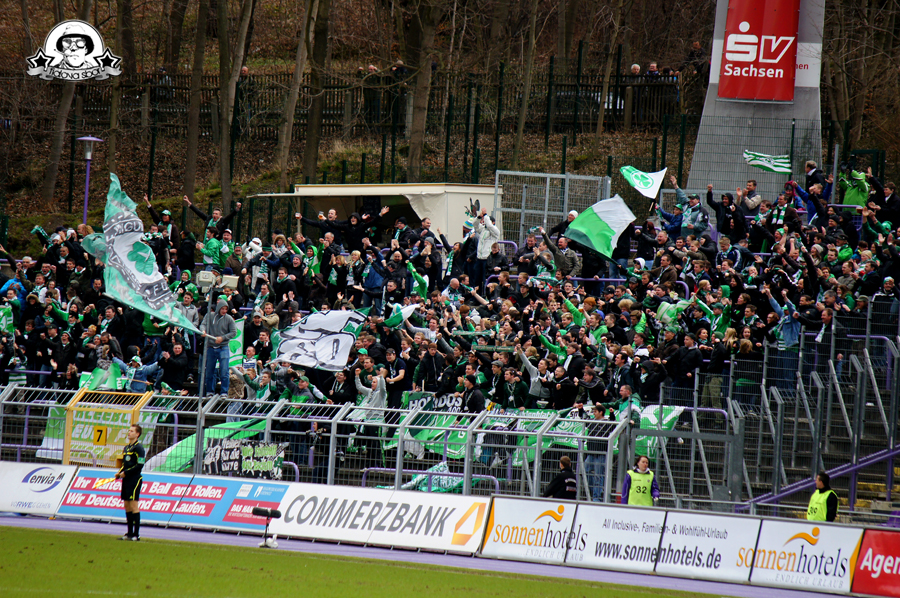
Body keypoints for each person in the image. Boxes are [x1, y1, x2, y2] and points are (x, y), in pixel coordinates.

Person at [200, 300, 237, 397]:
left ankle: (224, 392)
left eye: (226, 309)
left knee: (224, 371)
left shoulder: (229, 319)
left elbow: (234, 332)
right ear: (218, 308)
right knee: (209, 371)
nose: (224, 311)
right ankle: (209, 391)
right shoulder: (209, 316)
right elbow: (203, 324)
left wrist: (222, 338)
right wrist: (203, 330)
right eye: (222, 309)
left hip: (223, 347)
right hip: (211, 347)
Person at [117, 424, 145, 541]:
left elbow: (140, 465)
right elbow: (125, 464)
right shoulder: (126, 448)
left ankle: (136, 534)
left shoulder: (139, 448)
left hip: (135, 479)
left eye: (132, 431)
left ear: (137, 434)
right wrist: (119, 473)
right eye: (129, 431)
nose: (129, 433)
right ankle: (129, 533)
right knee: (127, 505)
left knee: (134, 505)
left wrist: (126, 473)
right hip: (126, 479)